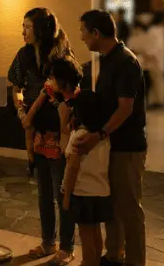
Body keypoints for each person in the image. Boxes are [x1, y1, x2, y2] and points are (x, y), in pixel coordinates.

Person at [77, 10, 147, 266]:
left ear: (96, 32)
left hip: (127, 147)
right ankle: (114, 254)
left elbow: (125, 107)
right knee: (113, 205)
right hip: (110, 144)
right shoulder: (105, 60)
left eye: (84, 32)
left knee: (129, 209)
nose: (82, 38)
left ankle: (136, 261)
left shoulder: (125, 61)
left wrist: (99, 135)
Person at [9, 8, 75, 265]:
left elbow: (64, 90)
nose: (22, 31)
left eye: (26, 26)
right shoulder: (23, 55)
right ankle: (49, 242)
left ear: (41, 29)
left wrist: (32, 112)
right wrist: (20, 110)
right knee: (43, 192)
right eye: (22, 26)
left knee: (63, 192)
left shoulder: (61, 54)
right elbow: (16, 88)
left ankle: (67, 247)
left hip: (60, 130)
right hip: (35, 131)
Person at [62, 88, 112, 266]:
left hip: (83, 194)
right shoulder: (102, 138)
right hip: (101, 192)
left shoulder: (80, 137)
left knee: (86, 236)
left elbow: (72, 168)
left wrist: (66, 196)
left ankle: (88, 262)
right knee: (96, 232)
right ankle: (95, 262)